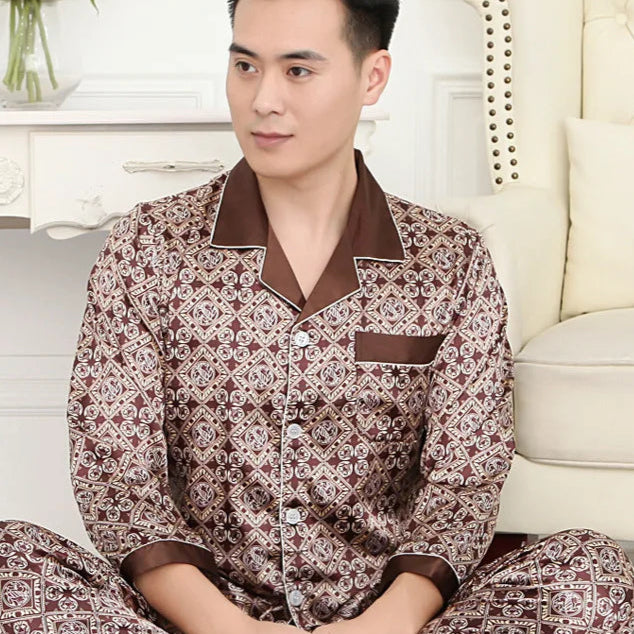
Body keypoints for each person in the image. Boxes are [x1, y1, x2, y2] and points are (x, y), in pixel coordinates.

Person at [0, 0, 633, 633]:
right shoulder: (150, 247)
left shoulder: (449, 261)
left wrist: (382, 626)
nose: (263, 100)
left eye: (298, 71)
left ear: (372, 77)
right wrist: (231, 630)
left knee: (590, 574)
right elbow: (119, 481)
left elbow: (463, 486)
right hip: (195, 622)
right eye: (246, 66)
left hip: (388, 622)